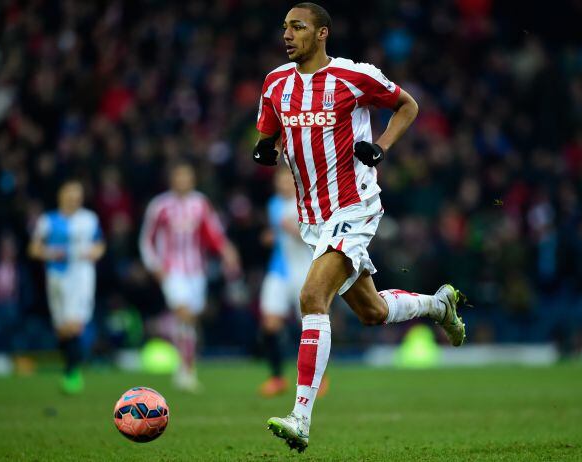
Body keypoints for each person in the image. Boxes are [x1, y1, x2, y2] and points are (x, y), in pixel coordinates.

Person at [254, 3, 467, 452]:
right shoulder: (275, 84)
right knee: (371, 311)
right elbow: (269, 134)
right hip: (313, 218)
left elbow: (407, 106)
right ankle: (437, 306)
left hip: (355, 206)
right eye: (285, 28)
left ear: (323, 33)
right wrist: (267, 150)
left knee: (312, 297)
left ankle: (301, 418)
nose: (288, 35)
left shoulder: (355, 76)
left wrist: (381, 146)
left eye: (298, 27)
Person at [139, 162, 241, 392]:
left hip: (196, 270)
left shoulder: (200, 203)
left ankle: (185, 368)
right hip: (171, 270)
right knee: (183, 313)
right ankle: (186, 370)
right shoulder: (160, 206)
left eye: (187, 177)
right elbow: (146, 239)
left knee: (190, 319)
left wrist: (226, 251)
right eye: (179, 177)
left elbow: (213, 232)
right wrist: (154, 265)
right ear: (172, 180)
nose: (183, 181)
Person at [29, 180, 105, 394]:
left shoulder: (89, 219)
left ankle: (73, 374)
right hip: (56, 277)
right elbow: (34, 248)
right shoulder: (47, 220)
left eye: (77, 194)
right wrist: (49, 253)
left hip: (81, 276)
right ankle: (69, 369)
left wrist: (94, 253)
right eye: (69, 194)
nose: (73, 198)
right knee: (62, 330)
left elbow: (100, 245)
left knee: (74, 324)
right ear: (61, 196)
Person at [258, 167, 319, 397]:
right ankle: (276, 378)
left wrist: (294, 231)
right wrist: (271, 236)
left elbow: (316, 236)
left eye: (287, 180)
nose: (283, 184)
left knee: (311, 326)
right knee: (270, 323)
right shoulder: (273, 204)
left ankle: (316, 378)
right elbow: (278, 234)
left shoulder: (307, 204)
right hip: (279, 270)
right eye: (280, 180)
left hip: (304, 271)